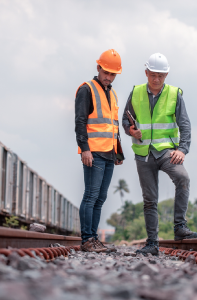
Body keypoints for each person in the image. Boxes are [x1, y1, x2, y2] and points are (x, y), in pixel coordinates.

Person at [123, 53, 197, 256]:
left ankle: (179, 227)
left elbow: (185, 124)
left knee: (182, 178)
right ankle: (152, 243)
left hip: (166, 151)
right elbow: (125, 121)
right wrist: (131, 130)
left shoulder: (174, 94)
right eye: (153, 75)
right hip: (143, 153)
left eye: (161, 76)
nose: (156, 80)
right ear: (146, 72)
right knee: (150, 199)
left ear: (166, 75)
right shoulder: (136, 92)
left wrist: (182, 149)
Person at [75, 49, 124, 253]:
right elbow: (80, 122)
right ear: (98, 68)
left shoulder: (112, 94)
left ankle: (94, 238)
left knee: (100, 197)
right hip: (93, 153)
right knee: (91, 195)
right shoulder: (87, 89)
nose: (109, 76)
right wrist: (84, 149)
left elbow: (113, 126)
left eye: (113, 74)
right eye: (106, 72)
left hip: (109, 154)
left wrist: (118, 153)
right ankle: (87, 239)